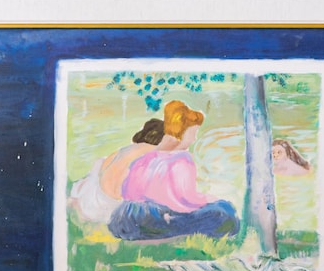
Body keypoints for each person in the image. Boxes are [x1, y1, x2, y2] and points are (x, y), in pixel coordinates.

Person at [108, 100, 239, 240]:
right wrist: (208, 199)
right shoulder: (182, 160)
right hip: (158, 219)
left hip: (128, 219)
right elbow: (186, 200)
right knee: (225, 211)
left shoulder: (142, 160)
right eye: (193, 133)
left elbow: (127, 193)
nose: (194, 139)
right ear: (181, 132)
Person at [67, 119, 165, 224]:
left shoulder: (125, 150)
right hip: (113, 210)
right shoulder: (156, 154)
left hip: (93, 197)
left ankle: (76, 202)